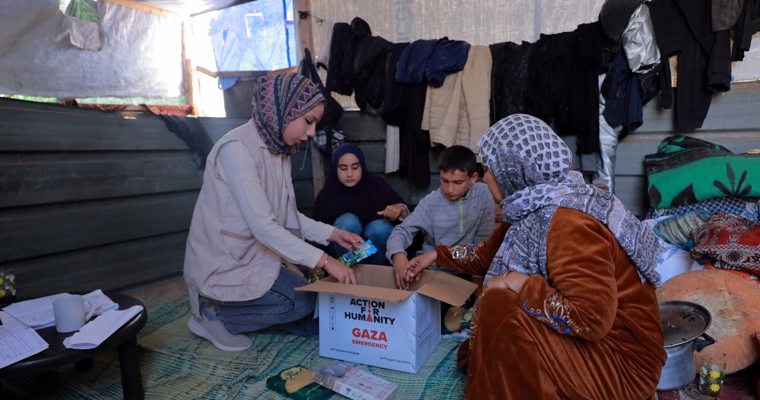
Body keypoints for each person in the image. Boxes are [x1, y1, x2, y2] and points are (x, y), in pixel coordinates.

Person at [405, 114, 666, 399]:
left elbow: (591, 318)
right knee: (498, 310)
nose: (486, 177)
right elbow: (486, 256)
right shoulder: (532, 202)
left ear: (512, 170)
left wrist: (518, 282)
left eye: (490, 169)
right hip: (599, 346)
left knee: (499, 306)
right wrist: (435, 256)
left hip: (623, 365)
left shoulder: (568, 222)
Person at [183, 73, 363, 352]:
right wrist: (326, 261)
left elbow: (285, 215)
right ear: (285, 110)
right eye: (309, 121)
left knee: (310, 298)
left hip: (255, 255)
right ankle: (212, 315)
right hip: (226, 263)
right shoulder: (237, 150)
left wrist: (334, 234)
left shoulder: (278, 150)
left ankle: (259, 310)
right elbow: (265, 227)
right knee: (298, 302)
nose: (312, 132)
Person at [386, 145, 495, 289]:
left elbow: (482, 244)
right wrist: (398, 256)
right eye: (445, 181)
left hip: (469, 270)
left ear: (473, 178)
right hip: (434, 272)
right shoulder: (430, 203)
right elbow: (401, 231)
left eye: (457, 182)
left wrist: (477, 280)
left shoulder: (483, 194)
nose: (449, 189)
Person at [312, 143, 409, 266]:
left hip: (377, 259)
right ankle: (349, 274)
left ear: (362, 166)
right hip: (343, 260)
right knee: (348, 222)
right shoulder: (327, 195)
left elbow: (405, 209)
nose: (349, 174)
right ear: (335, 169)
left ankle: (374, 275)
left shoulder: (377, 185)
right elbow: (317, 234)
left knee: (380, 228)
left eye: (355, 167)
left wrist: (399, 208)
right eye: (343, 168)